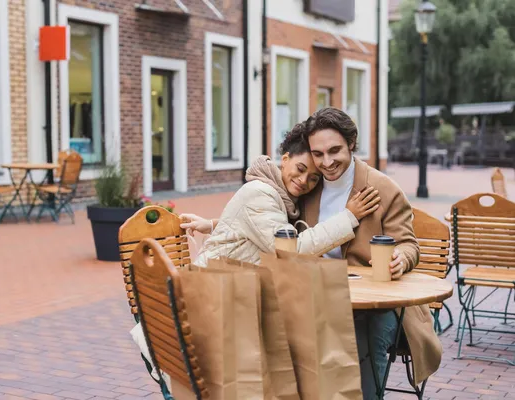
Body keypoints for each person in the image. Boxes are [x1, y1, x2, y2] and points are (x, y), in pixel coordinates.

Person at [299, 107, 440, 399]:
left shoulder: (383, 188)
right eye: (318, 153)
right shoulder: (307, 187)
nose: (326, 162)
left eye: (334, 150)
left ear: (352, 142)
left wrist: (401, 258)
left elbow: (409, 244)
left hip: (377, 304)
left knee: (363, 331)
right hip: (318, 295)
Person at [181, 120, 381, 267]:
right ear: (285, 159)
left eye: (313, 178)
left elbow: (251, 226)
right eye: (300, 169)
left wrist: (212, 224)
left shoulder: (284, 199)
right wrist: (349, 216)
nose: (304, 181)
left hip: (235, 290)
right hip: (212, 292)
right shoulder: (260, 192)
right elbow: (292, 249)